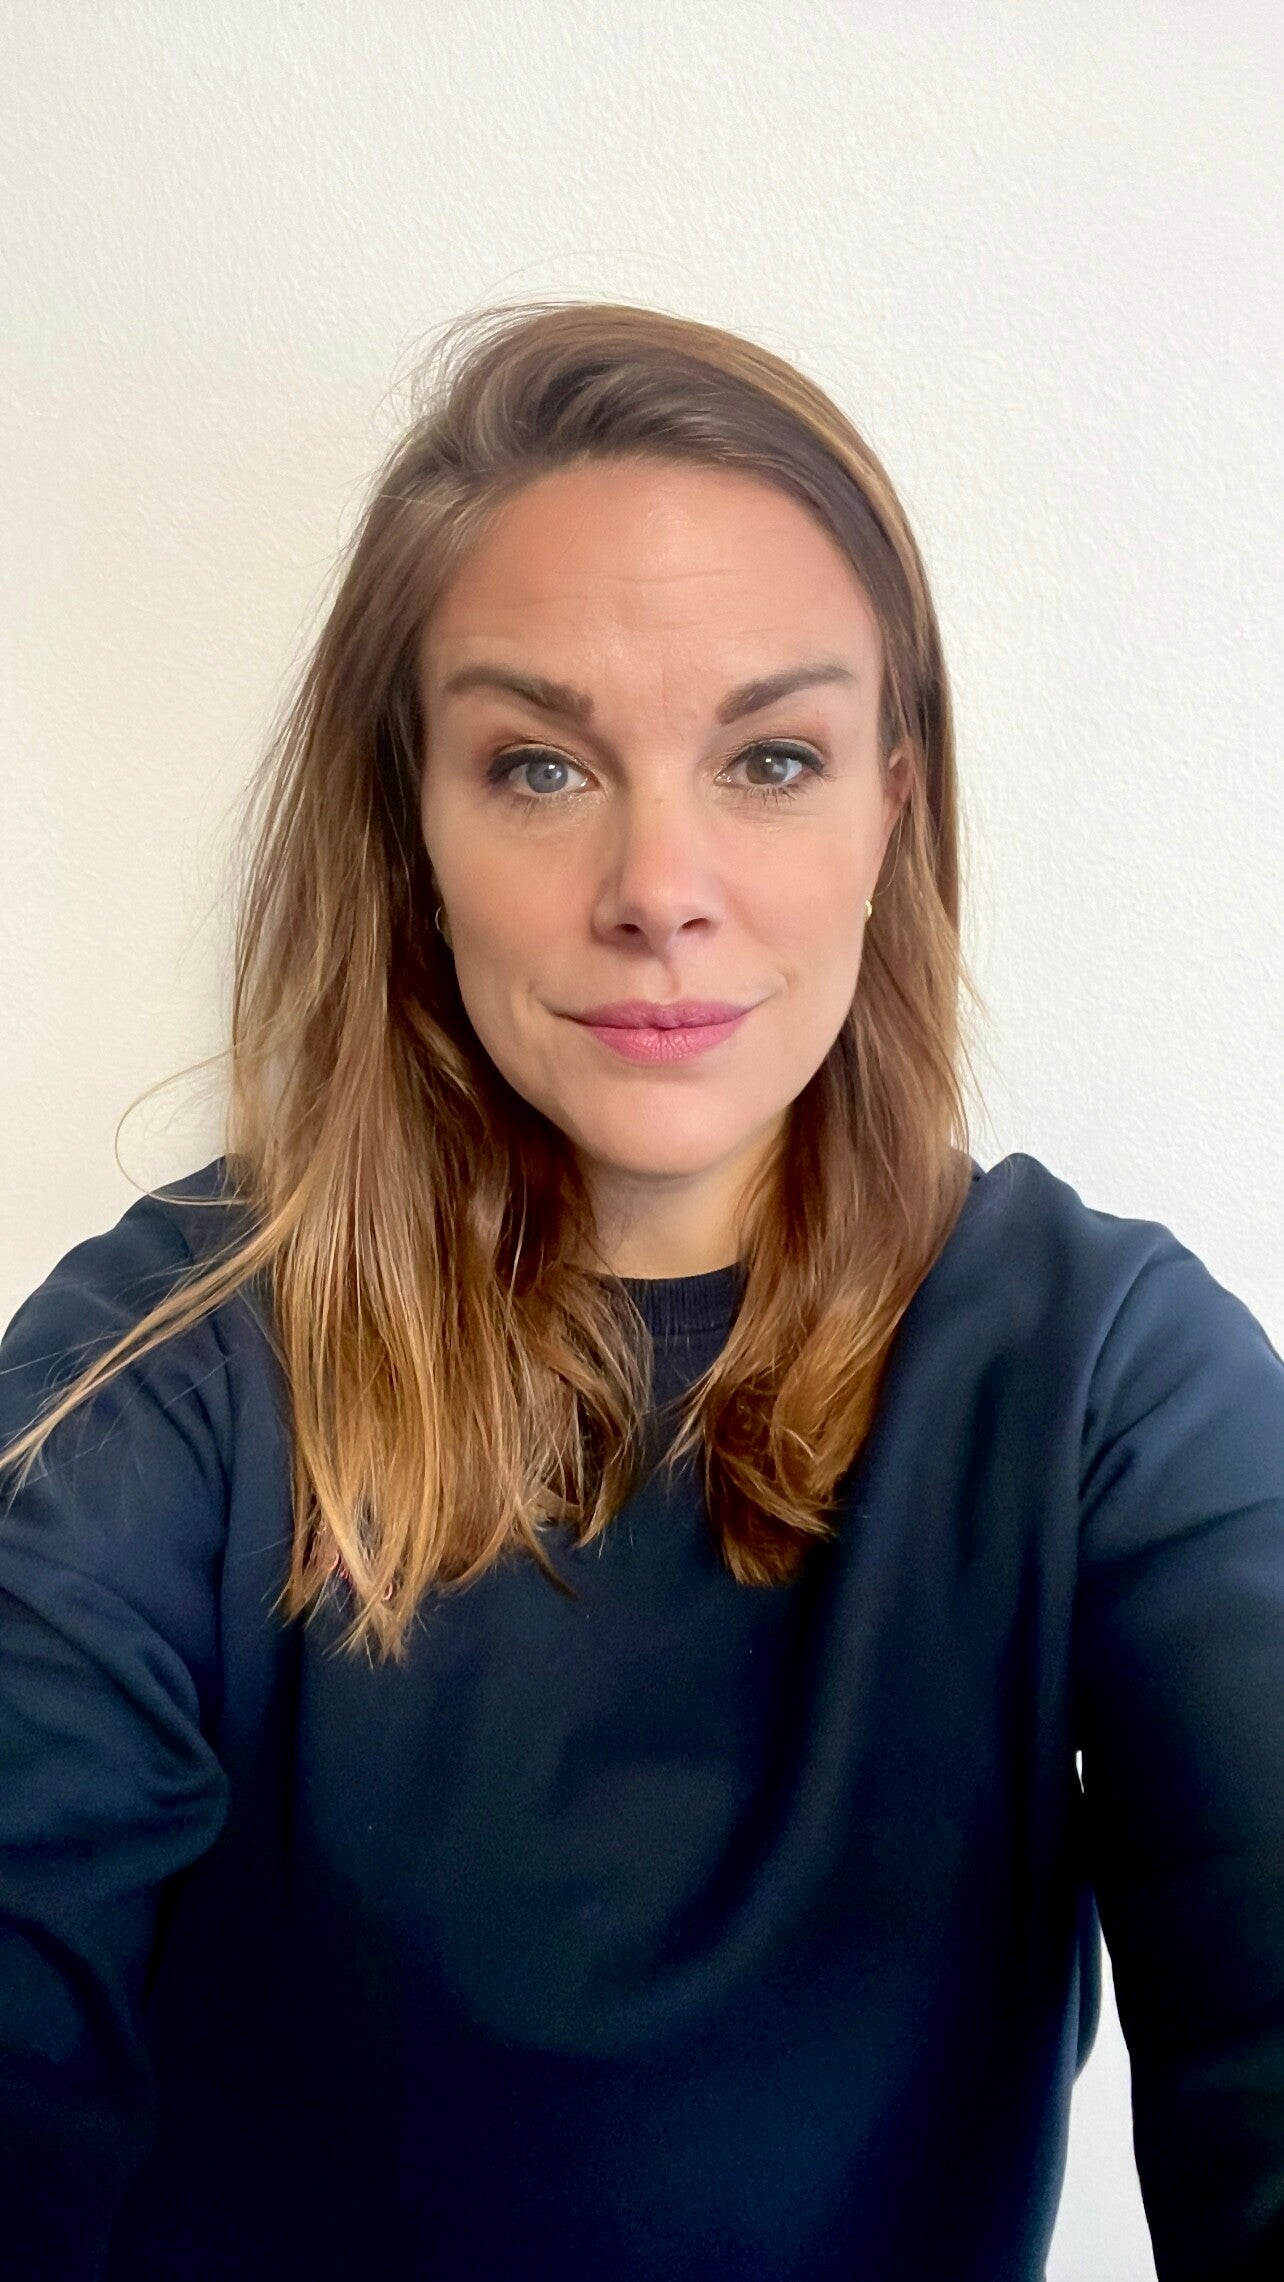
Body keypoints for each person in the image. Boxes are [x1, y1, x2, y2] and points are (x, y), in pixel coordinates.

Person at [1, 299, 1281, 2282]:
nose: (659, 887)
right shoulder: (163, 1364)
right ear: (412, 821)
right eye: (539, 766)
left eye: (770, 756)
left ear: (893, 805)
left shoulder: (1111, 1383)